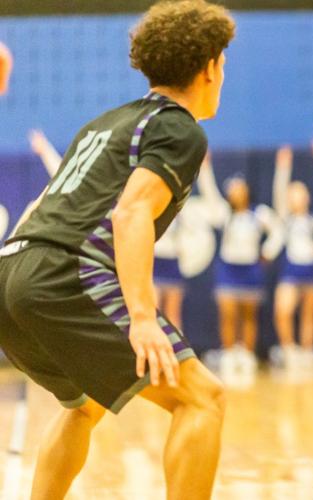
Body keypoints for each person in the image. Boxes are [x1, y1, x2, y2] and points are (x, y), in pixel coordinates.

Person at [0, 2, 234, 498]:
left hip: (10, 269)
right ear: (209, 66)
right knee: (203, 398)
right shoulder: (180, 128)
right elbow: (131, 215)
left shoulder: (105, 122)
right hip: (66, 273)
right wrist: (142, 317)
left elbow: (44, 203)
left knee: (83, 405)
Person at [30, 128, 192, 329]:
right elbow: (63, 175)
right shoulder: (97, 190)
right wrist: (45, 149)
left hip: (122, 266)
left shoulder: (141, 191)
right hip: (95, 266)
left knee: (148, 317)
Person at [197, 153, 283, 384]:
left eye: (240, 188)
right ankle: (229, 353)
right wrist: (205, 168)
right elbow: (209, 195)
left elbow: (278, 231)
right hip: (228, 269)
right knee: (227, 313)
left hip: (251, 270)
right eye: (233, 189)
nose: (237, 192)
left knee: (248, 314)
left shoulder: (259, 213)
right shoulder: (224, 215)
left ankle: (246, 354)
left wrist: (268, 251)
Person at [272, 147, 313, 369]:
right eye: (293, 194)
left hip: (310, 268)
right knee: (283, 309)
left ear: (307, 197)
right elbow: (279, 193)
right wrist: (283, 167)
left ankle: (307, 351)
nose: (296, 197)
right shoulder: (285, 219)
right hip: (291, 269)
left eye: (300, 193)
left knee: (310, 312)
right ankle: (289, 349)